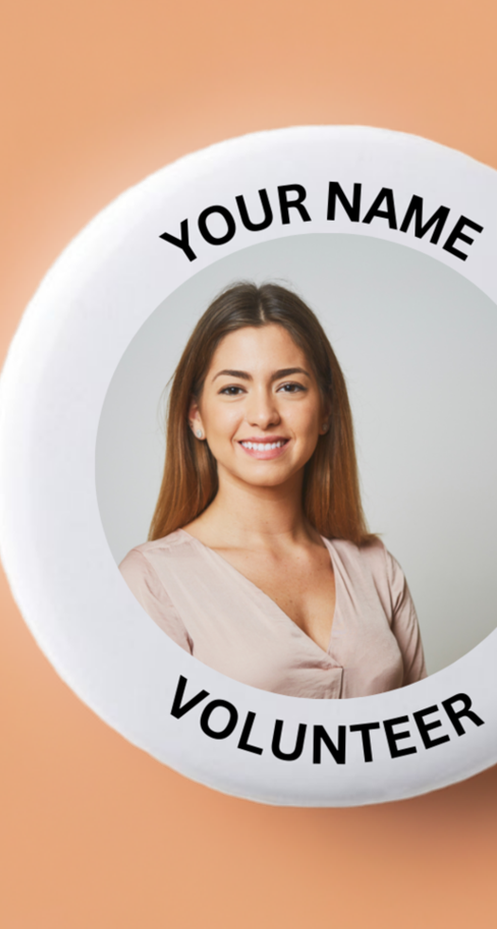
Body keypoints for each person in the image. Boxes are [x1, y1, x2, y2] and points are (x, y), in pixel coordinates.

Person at [119, 281, 426, 699]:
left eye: (289, 386)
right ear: (196, 417)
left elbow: (424, 744)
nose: (263, 415)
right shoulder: (151, 581)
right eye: (233, 389)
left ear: (325, 410)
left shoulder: (375, 568)